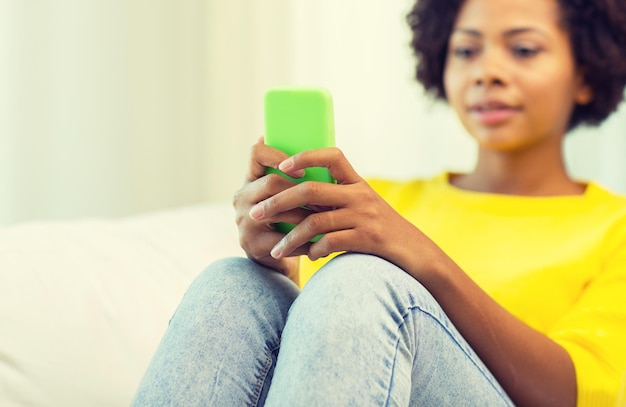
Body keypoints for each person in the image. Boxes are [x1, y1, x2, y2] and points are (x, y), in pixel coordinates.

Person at [131, 0, 626, 405]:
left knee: (363, 278)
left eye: (522, 49)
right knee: (233, 282)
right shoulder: (376, 202)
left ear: (586, 72)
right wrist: (273, 257)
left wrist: (418, 255)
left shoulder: (614, 227)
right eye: (466, 51)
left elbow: (570, 394)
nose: (487, 72)